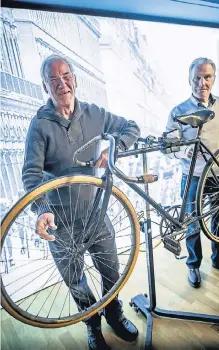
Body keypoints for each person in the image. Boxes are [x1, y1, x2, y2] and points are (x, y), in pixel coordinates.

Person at [22, 54, 140, 350]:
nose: (62, 84)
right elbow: (31, 173)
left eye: (66, 76)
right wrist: (42, 210)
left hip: (96, 212)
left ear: (74, 79)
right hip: (60, 222)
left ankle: (114, 314)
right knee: (76, 281)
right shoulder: (39, 125)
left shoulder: (94, 113)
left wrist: (114, 147)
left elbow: (131, 127)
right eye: (53, 79)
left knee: (111, 271)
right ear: (45, 86)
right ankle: (93, 325)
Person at [166, 57, 219, 288]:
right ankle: (193, 265)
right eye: (197, 78)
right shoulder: (178, 111)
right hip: (193, 176)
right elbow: (169, 146)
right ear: (190, 80)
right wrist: (184, 152)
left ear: (213, 78)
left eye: (207, 77)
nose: (202, 82)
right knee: (192, 223)